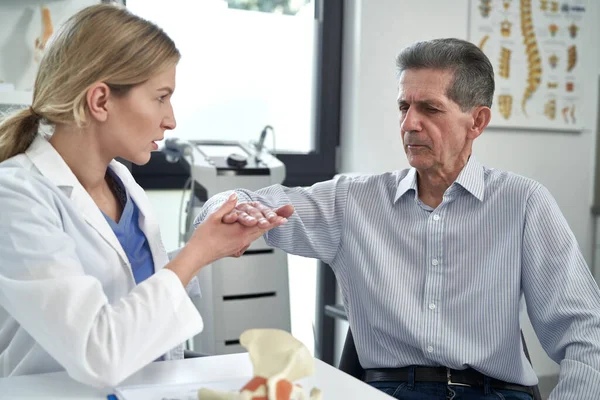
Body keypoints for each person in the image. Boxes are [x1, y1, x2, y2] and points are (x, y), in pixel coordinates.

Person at [194, 38, 600, 399]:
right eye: (404, 107)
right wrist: (234, 210)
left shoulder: (524, 203)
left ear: (476, 121)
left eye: (429, 109)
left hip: (490, 392)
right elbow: (237, 200)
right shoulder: (353, 200)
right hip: (387, 390)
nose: (409, 124)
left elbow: (586, 334)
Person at [0, 4, 285, 388]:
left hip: (142, 385)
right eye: (161, 97)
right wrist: (196, 252)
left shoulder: (121, 183)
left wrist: (215, 242)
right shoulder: (16, 195)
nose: (171, 119)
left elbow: (137, 288)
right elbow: (97, 353)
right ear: (100, 101)